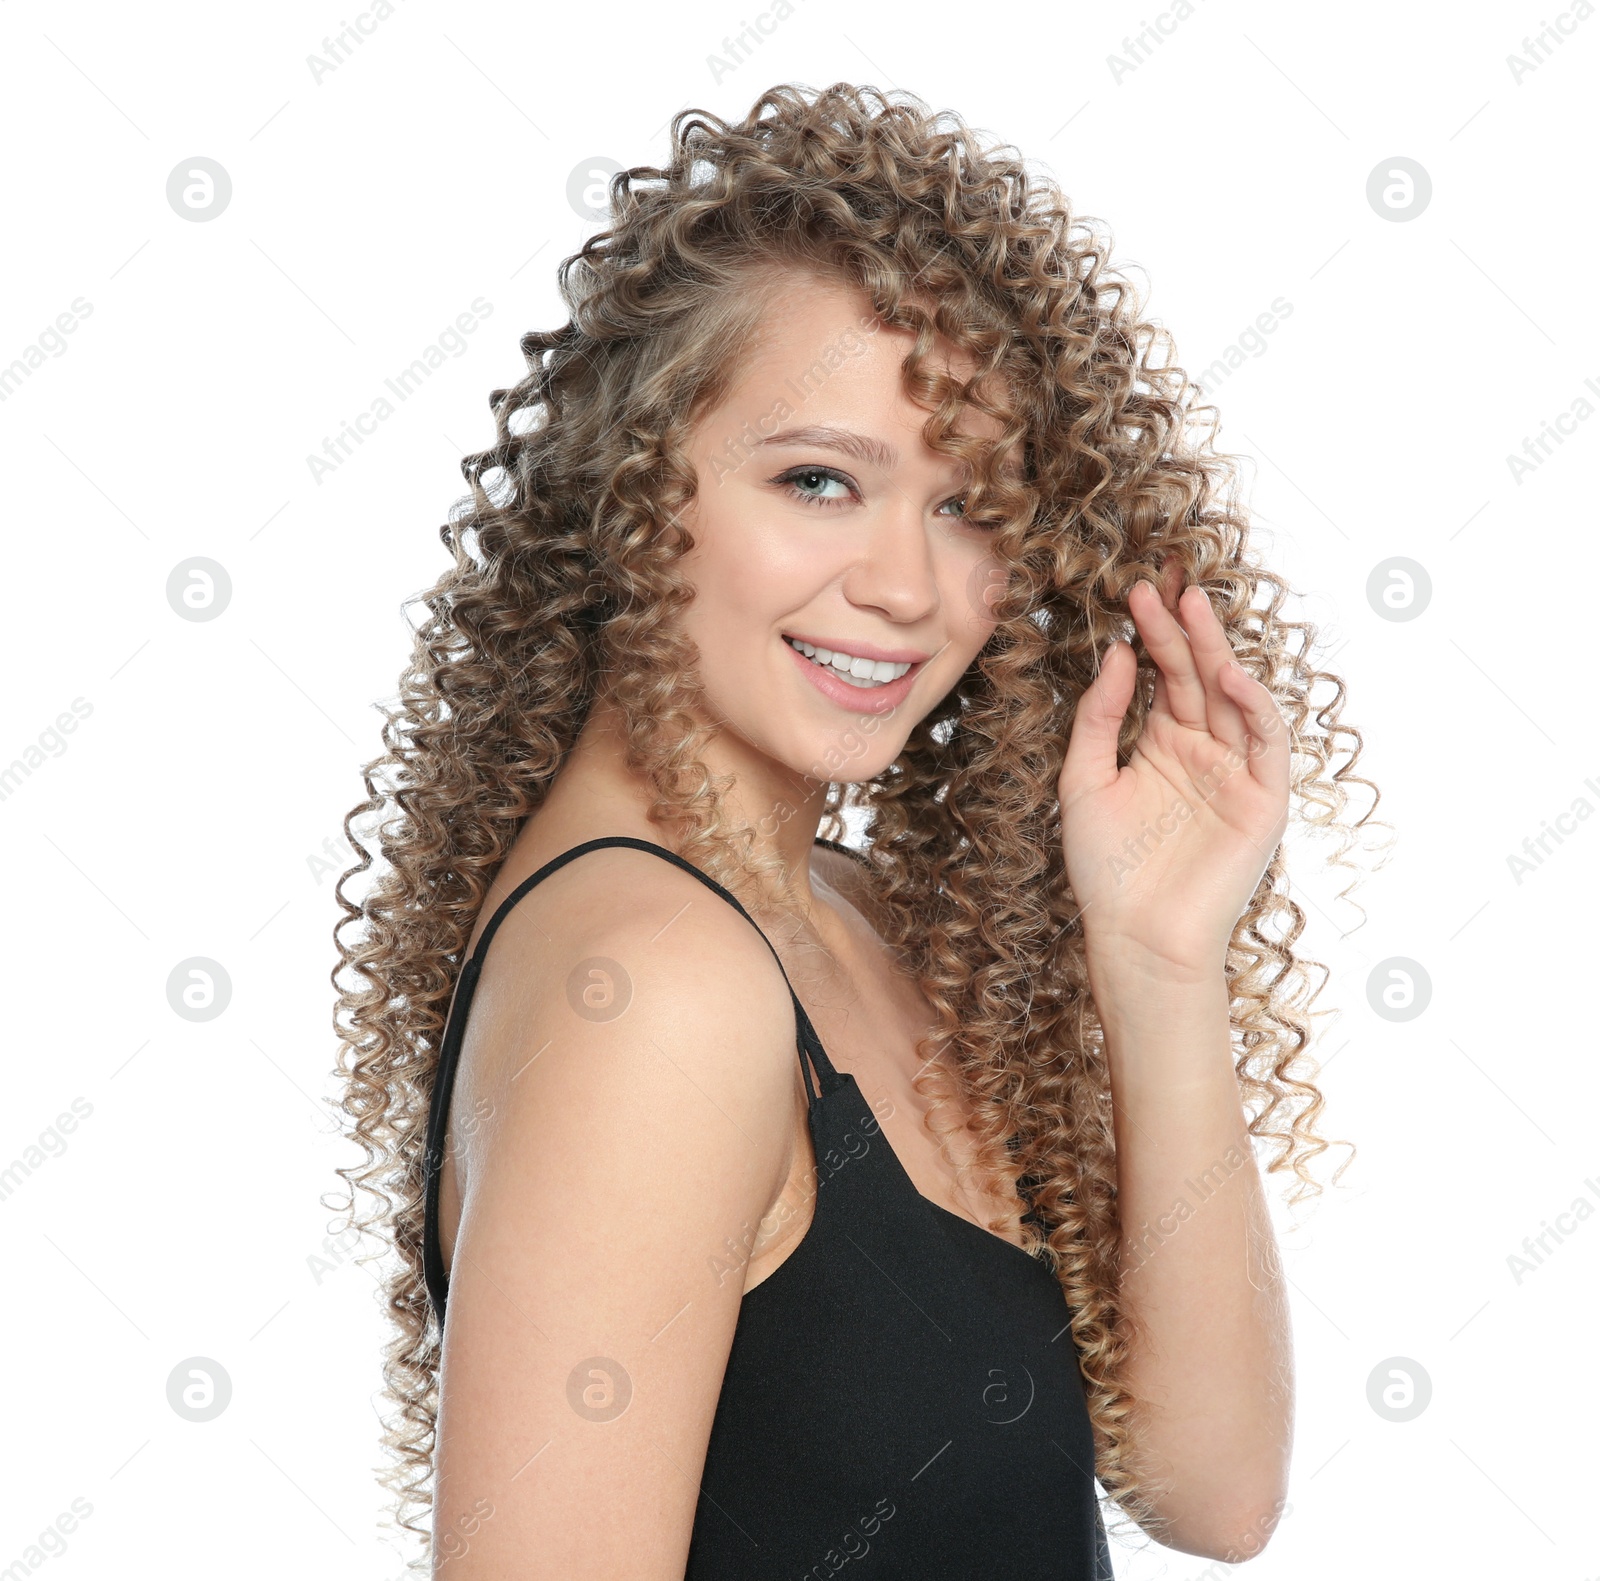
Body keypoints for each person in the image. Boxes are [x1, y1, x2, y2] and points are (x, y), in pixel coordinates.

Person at [331, 81, 1374, 1579]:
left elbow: (1213, 1491)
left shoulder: (851, 914)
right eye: (819, 480)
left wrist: (1156, 958)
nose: (908, 585)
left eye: (970, 507)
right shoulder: (654, 988)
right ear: (624, 488)